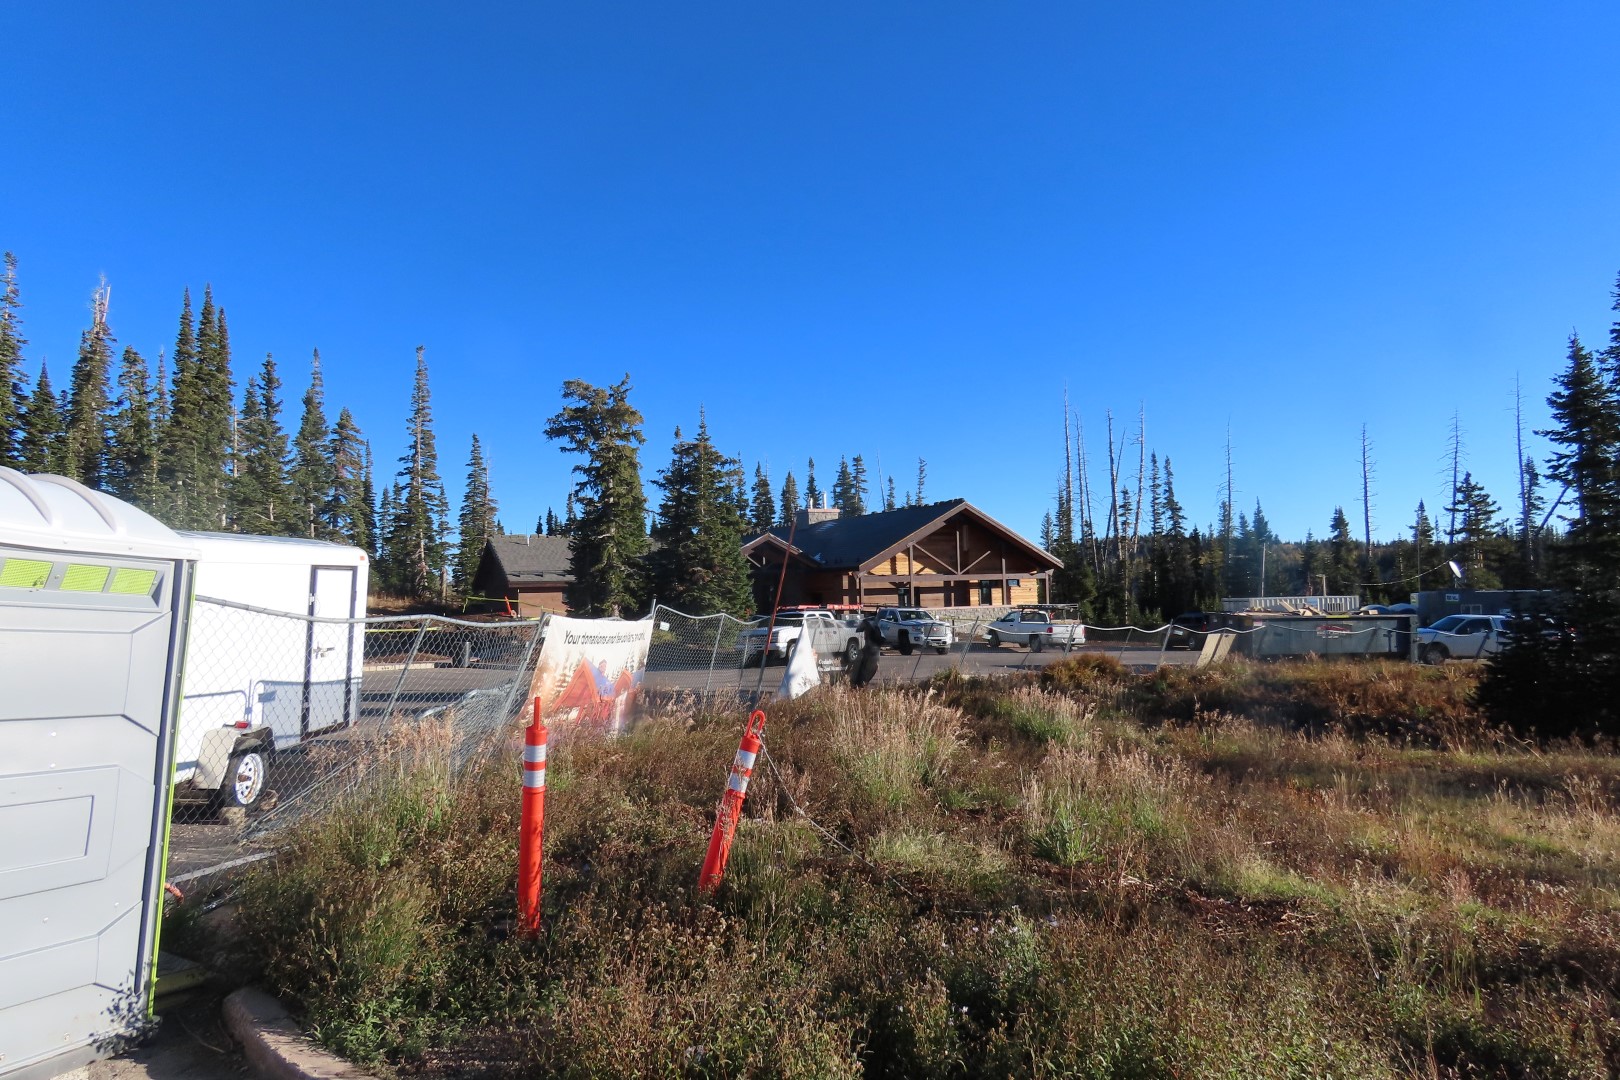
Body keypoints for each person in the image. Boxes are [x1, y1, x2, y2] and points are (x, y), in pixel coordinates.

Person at [849, 616, 882, 689]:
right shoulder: (876, 626)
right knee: (869, 669)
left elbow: (858, 629)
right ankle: (861, 684)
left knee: (863, 667)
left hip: (870, 649)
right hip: (875, 650)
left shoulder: (868, 626)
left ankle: (858, 684)